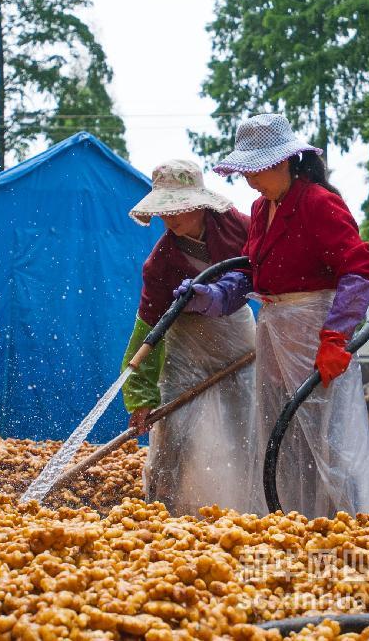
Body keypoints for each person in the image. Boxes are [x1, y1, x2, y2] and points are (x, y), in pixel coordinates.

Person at [175, 114, 369, 519]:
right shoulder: (260, 208)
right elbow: (253, 273)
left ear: (284, 161)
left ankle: (354, 526)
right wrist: (211, 296)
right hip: (276, 330)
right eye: (245, 169)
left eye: (256, 167)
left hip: (314, 332)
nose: (249, 177)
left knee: (330, 441)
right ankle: (295, 521)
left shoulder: (318, 203)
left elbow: (360, 270)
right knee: (282, 438)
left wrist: (336, 337)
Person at [121, 159, 258, 517]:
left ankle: (249, 505)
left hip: (235, 335)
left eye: (176, 208)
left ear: (199, 203)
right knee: (176, 430)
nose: (169, 219)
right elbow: (149, 328)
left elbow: (260, 267)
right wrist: (141, 393)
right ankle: (167, 508)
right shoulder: (161, 262)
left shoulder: (238, 227)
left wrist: (223, 292)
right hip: (186, 341)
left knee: (244, 421)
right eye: (163, 212)